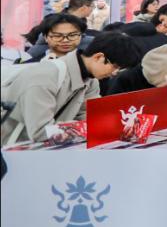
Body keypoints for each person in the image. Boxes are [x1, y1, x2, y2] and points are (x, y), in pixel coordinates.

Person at [2, 32, 141, 143]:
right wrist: (88, 128)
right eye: (115, 67)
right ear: (98, 57)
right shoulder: (46, 76)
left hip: (41, 150)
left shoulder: (91, 81)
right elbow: (40, 131)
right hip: (12, 146)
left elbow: (91, 117)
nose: (115, 73)